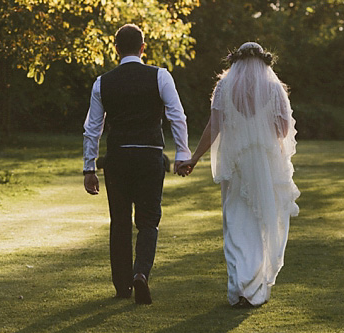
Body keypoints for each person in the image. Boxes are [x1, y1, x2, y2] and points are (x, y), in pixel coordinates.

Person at [176, 42, 299, 308]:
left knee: (235, 222)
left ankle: (240, 286)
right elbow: (283, 130)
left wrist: (195, 158)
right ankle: (254, 287)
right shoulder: (274, 88)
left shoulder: (224, 87)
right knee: (261, 222)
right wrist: (259, 127)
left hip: (236, 164)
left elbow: (214, 126)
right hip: (264, 164)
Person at [83, 24, 192, 304]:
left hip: (117, 158)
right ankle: (141, 273)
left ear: (116, 48)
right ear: (143, 48)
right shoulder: (160, 76)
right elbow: (177, 116)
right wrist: (182, 154)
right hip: (149, 156)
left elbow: (92, 128)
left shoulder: (103, 82)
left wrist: (89, 168)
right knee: (148, 221)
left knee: (119, 221)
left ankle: (122, 287)